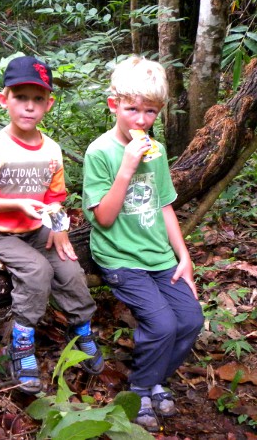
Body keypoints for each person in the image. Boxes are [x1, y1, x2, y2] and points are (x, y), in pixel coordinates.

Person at [0, 55, 104, 394]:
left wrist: (58, 229)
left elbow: (55, 197)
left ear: (49, 103)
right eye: (21, 97)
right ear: (4, 100)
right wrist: (16, 202)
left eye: (38, 99)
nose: (29, 107)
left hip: (36, 228)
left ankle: (81, 329)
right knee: (37, 271)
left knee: (71, 269)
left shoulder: (51, 150)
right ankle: (22, 341)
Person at [82, 56, 204, 431]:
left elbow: (165, 205)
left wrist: (183, 257)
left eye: (149, 112)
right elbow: (103, 217)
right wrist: (127, 168)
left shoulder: (159, 151)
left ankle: (154, 379)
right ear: (114, 105)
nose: (140, 120)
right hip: (120, 257)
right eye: (132, 109)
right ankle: (139, 387)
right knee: (163, 324)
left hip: (159, 256)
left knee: (191, 319)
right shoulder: (100, 152)